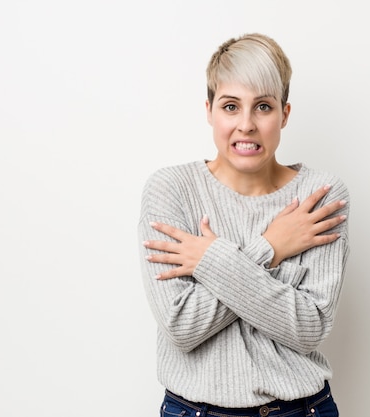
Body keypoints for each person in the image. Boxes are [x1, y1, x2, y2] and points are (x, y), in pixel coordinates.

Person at [138, 33, 350, 417]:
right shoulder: (170, 190)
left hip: (302, 410)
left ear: (285, 113)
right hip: (195, 411)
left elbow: (308, 329)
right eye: (231, 106)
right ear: (209, 110)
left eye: (263, 106)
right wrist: (270, 247)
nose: (246, 124)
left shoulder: (319, 196)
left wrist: (210, 261)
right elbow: (183, 326)